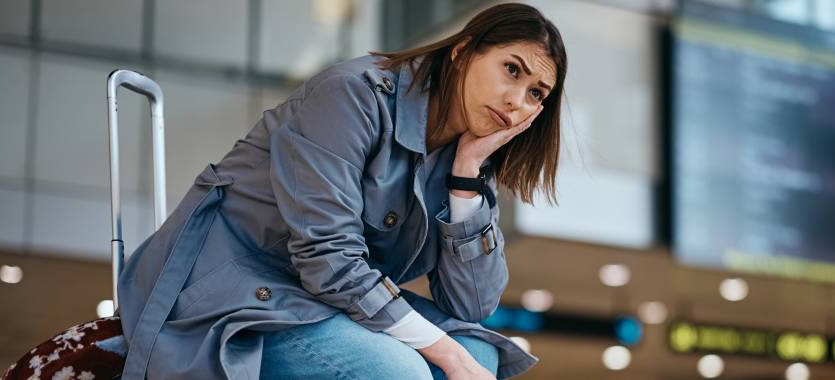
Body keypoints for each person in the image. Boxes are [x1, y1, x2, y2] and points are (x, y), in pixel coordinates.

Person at [114, 3, 566, 379]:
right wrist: (443, 351)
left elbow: (471, 304)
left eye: (535, 93)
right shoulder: (353, 95)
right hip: (233, 287)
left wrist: (466, 176)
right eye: (512, 70)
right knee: (402, 373)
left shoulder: (466, 155)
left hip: (318, 301)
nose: (516, 101)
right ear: (463, 52)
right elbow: (327, 256)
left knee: (479, 354)